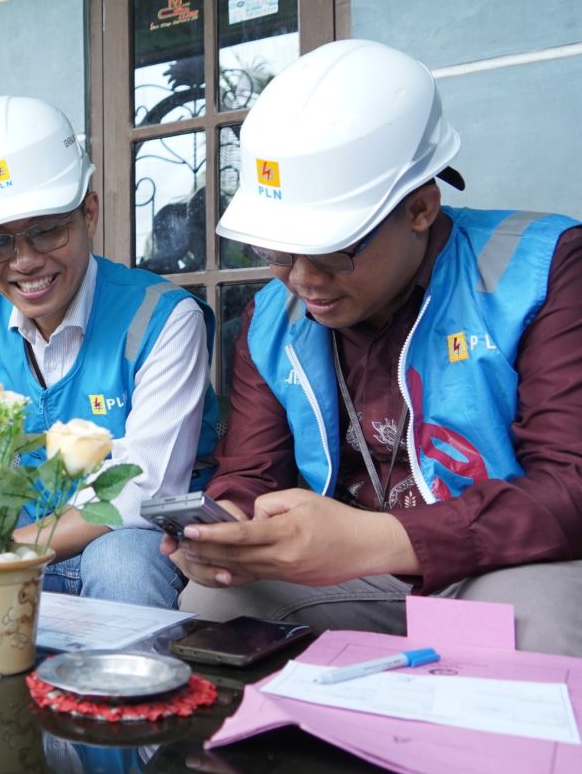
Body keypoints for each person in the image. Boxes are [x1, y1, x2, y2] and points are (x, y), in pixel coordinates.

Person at [162, 39, 582, 654]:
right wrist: (223, 535)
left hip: (510, 564)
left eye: (333, 250)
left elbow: (570, 485)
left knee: (527, 628)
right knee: (213, 602)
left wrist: (373, 539)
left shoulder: (544, 269)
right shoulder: (271, 319)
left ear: (420, 207)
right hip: (361, 576)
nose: (302, 280)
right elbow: (249, 474)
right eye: (275, 252)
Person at [0, 95, 220, 608]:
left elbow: (141, 492)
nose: (27, 261)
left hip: (121, 537)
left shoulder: (164, 317)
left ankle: (118, 688)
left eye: (47, 230)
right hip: (15, 524)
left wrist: (0, 551)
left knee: (122, 567)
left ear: (90, 213)